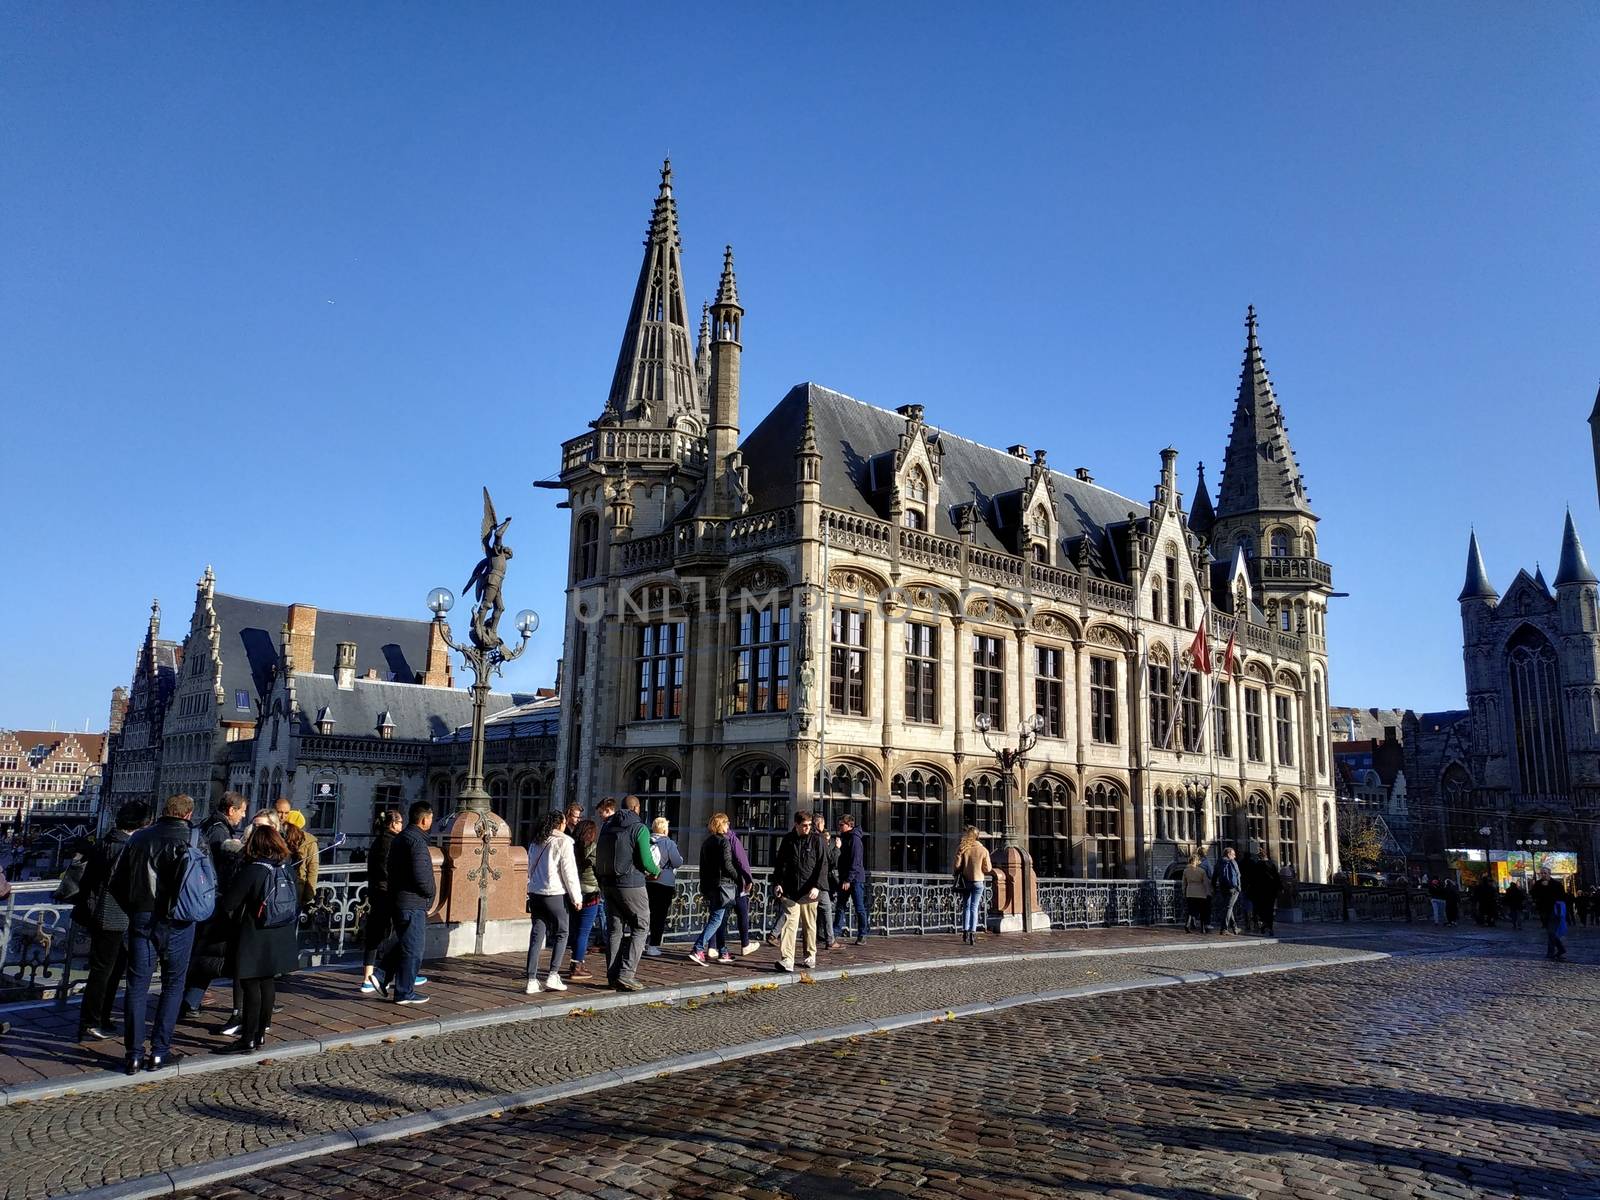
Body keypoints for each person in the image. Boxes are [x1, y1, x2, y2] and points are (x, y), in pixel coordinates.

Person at [108, 793, 208, 1074]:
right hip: (179, 921)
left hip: (143, 918)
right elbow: (207, 884)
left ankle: (134, 1054)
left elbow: (116, 881)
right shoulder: (195, 840)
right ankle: (159, 1053)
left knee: (137, 986)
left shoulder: (139, 838)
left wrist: (136, 907)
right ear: (188, 815)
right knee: (173, 985)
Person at [217, 824, 299, 1051]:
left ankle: (248, 1037)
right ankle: (261, 1033)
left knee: (251, 984)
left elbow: (229, 903)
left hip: (255, 932)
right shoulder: (287, 869)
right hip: (280, 932)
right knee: (267, 982)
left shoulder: (254, 870)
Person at [73, 800, 148, 1040]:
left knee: (109, 969)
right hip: (113, 915)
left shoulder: (107, 841)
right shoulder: (127, 847)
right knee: (105, 970)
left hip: (102, 913)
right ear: (141, 823)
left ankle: (101, 1018)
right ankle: (91, 1021)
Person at [182, 791, 248, 1027]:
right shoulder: (220, 832)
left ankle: (190, 1000)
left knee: (207, 954)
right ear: (232, 810)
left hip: (207, 898)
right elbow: (219, 866)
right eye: (241, 811)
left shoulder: (210, 824)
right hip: (213, 899)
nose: (242, 817)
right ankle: (189, 1001)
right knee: (210, 955)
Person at [596, 795, 659, 992]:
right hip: (631, 883)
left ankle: (612, 976)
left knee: (615, 930)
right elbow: (646, 860)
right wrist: (656, 871)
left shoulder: (607, 826)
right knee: (641, 925)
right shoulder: (639, 828)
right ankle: (627, 974)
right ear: (637, 808)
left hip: (608, 883)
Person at [375, 800, 435, 1005]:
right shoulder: (417, 842)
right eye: (431, 819)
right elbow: (421, 874)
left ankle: (382, 975)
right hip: (412, 902)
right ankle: (404, 992)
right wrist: (430, 893)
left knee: (404, 942)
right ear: (425, 819)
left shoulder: (400, 838)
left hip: (398, 898)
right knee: (414, 949)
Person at [525, 810, 581, 993]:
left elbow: (529, 868)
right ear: (560, 824)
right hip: (554, 893)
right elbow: (569, 872)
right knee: (562, 932)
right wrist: (576, 897)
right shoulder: (563, 842)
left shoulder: (536, 841)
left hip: (536, 893)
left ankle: (531, 979)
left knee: (537, 934)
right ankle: (553, 974)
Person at [772, 810, 825, 972]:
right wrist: (778, 883)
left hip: (810, 890)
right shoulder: (788, 840)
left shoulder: (817, 840)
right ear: (796, 825)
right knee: (790, 923)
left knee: (809, 924)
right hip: (790, 889)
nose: (807, 828)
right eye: (804, 826)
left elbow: (822, 865)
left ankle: (810, 955)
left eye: (809, 825)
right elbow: (780, 863)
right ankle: (787, 959)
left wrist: (817, 886)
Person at [361, 807, 404, 994]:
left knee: (375, 934)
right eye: (400, 822)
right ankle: (397, 972)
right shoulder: (392, 843)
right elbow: (390, 870)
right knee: (401, 932)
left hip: (376, 892)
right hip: (388, 893)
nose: (402, 825)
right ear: (393, 823)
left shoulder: (378, 841)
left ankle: (367, 977)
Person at [690, 813, 740, 965]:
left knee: (720, 917)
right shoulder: (723, 842)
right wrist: (739, 877)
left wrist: (704, 886)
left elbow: (703, 866)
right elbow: (727, 864)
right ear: (721, 825)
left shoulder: (707, 842)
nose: (728, 826)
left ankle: (723, 951)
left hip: (710, 885)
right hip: (722, 885)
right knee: (717, 918)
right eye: (727, 823)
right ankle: (698, 948)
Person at [562, 818, 603, 982]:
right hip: (590, 893)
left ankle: (576, 962)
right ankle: (577, 965)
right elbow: (598, 869)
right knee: (584, 931)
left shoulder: (571, 847)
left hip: (572, 892)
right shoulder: (594, 848)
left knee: (575, 929)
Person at [714, 824, 760, 959]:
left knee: (718, 916)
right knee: (742, 912)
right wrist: (747, 879)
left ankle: (713, 946)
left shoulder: (711, 840)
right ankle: (745, 944)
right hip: (733, 883)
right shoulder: (731, 839)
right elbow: (741, 860)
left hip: (717, 883)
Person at [644, 817, 684, 958]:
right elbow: (677, 862)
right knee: (659, 915)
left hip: (647, 881)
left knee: (646, 913)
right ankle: (653, 946)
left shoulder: (646, 841)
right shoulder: (669, 843)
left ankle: (641, 941)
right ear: (665, 829)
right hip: (664, 882)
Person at [951, 826, 992, 945]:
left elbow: (957, 866)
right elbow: (988, 868)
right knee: (974, 907)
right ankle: (972, 933)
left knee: (966, 907)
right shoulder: (983, 850)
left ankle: (964, 931)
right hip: (978, 881)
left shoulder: (962, 848)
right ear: (978, 836)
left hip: (965, 881)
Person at [834, 813, 868, 944]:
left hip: (855, 879)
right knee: (840, 906)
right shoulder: (844, 837)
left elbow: (856, 861)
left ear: (849, 825)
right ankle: (835, 933)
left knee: (859, 907)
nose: (839, 827)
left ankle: (862, 934)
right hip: (845, 878)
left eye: (842, 825)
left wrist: (848, 879)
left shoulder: (855, 839)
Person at [280, 810, 320, 910]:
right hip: (294, 888)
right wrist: (308, 895)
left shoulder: (280, 838)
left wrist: (308, 894)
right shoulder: (310, 842)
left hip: (285, 887)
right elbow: (313, 869)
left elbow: (313, 868)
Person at [814, 811, 839, 952]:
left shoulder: (810, 836)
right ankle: (830, 939)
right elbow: (830, 861)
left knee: (796, 909)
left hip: (810, 880)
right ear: (820, 823)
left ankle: (774, 933)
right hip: (820, 881)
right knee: (827, 909)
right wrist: (836, 848)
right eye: (823, 823)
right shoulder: (820, 838)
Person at [1251, 854, 1282, 937]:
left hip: (1260, 891)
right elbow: (1277, 877)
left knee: (1261, 909)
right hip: (1271, 891)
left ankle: (1263, 924)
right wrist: (1280, 888)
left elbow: (1253, 879)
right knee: (1270, 909)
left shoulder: (1257, 865)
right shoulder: (1272, 865)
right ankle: (1270, 926)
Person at [1213, 847, 1242, 935]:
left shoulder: (1219, 862)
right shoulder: (1232, 862)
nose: (1235, 856)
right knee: (1228, 907)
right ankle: (1224, 928)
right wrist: (1238, 887)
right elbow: (1237, 875)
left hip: (1223, 888)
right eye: (1233, 854)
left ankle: (1235, 927)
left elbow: (1214, 876)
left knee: (1229, 906)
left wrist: (1214, 887)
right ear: (1229, 854)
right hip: (1233, 888)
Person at [1181, 854, 1211, 934]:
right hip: (1200, 892)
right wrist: (1208, 892)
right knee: (1202, 911)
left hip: (1190, 891)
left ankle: (1187, 924)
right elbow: (1205, 883)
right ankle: (1202, 928)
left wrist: (1184, 892)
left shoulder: (1185, 871)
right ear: (1197, 861)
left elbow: (1184, 883)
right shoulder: (1201, 871)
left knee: (1190, 910)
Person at [1547, 889, 1569, 961]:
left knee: (1552, 934)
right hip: (1554, 918)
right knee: (1552, 935)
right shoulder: (1560, 901)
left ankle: (1558, 950)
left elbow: (1559, 913)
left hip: (1554, 918)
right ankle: (1555, 951)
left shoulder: (1558, 902)